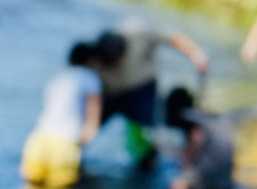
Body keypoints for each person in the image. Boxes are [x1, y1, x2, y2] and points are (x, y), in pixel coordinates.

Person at [89, 17, 211, 166]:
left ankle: (147, 165)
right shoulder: (94, 55)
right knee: (86, 128)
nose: (114, 64)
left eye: (115, 60)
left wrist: (195, 54)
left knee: (145, 140)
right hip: (111, 94)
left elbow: (171, 37)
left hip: (141, 89)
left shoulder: (138, 33)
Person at [20, 40, 107, 189]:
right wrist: (90, 132)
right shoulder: (91, 78)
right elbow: (94, 108)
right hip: (65, 142)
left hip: (39, 139)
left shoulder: (58, 79)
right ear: (91, 61)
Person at [163, 86, 234, 189]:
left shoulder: (185, 116)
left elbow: (196, 141)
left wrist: (185, 179)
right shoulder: (202, 116)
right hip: (226, 180)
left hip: (209, 176)